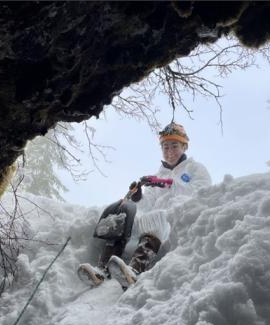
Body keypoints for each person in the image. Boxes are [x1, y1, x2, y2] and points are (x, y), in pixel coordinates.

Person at [78, 122, 211, 289]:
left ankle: (134, 270)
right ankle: (102, 270)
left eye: (174, 146)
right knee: (124, 217)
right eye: (165, 147)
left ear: (184, 146)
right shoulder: (159, 174)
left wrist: (167, 183)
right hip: (154, 222)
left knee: (158, 217)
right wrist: (138, 197)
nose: (169, 152)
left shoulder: (195, 169)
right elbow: (148, 205)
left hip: (176, 219)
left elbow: (201, 193)